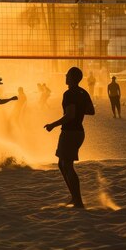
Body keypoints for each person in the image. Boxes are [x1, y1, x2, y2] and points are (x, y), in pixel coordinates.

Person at [44, 66, 95, 208]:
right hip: (79, 132)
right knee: (62, 164)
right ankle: (74, 197)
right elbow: (91, 111)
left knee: (67, 165)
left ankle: (78, 200)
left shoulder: (69, 93)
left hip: (70, 132)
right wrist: (79, 108)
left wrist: (53, 125)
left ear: (72, 77)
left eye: (67, 75)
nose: (65, 77)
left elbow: (70, 115)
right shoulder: (83, 92)